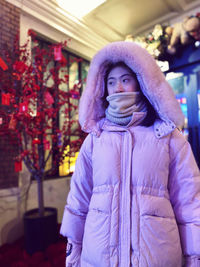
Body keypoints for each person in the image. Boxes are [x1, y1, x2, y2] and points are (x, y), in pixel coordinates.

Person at [60, 41, 200, 267]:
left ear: (141, 81)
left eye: (125, 80)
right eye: (111, 82)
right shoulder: (95, 140)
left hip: (157, 255)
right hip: (99, 255)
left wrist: (194, 255)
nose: (118, 88)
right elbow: (79, 197)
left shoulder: (167, 137)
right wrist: (73, 247)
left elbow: (189, 201)